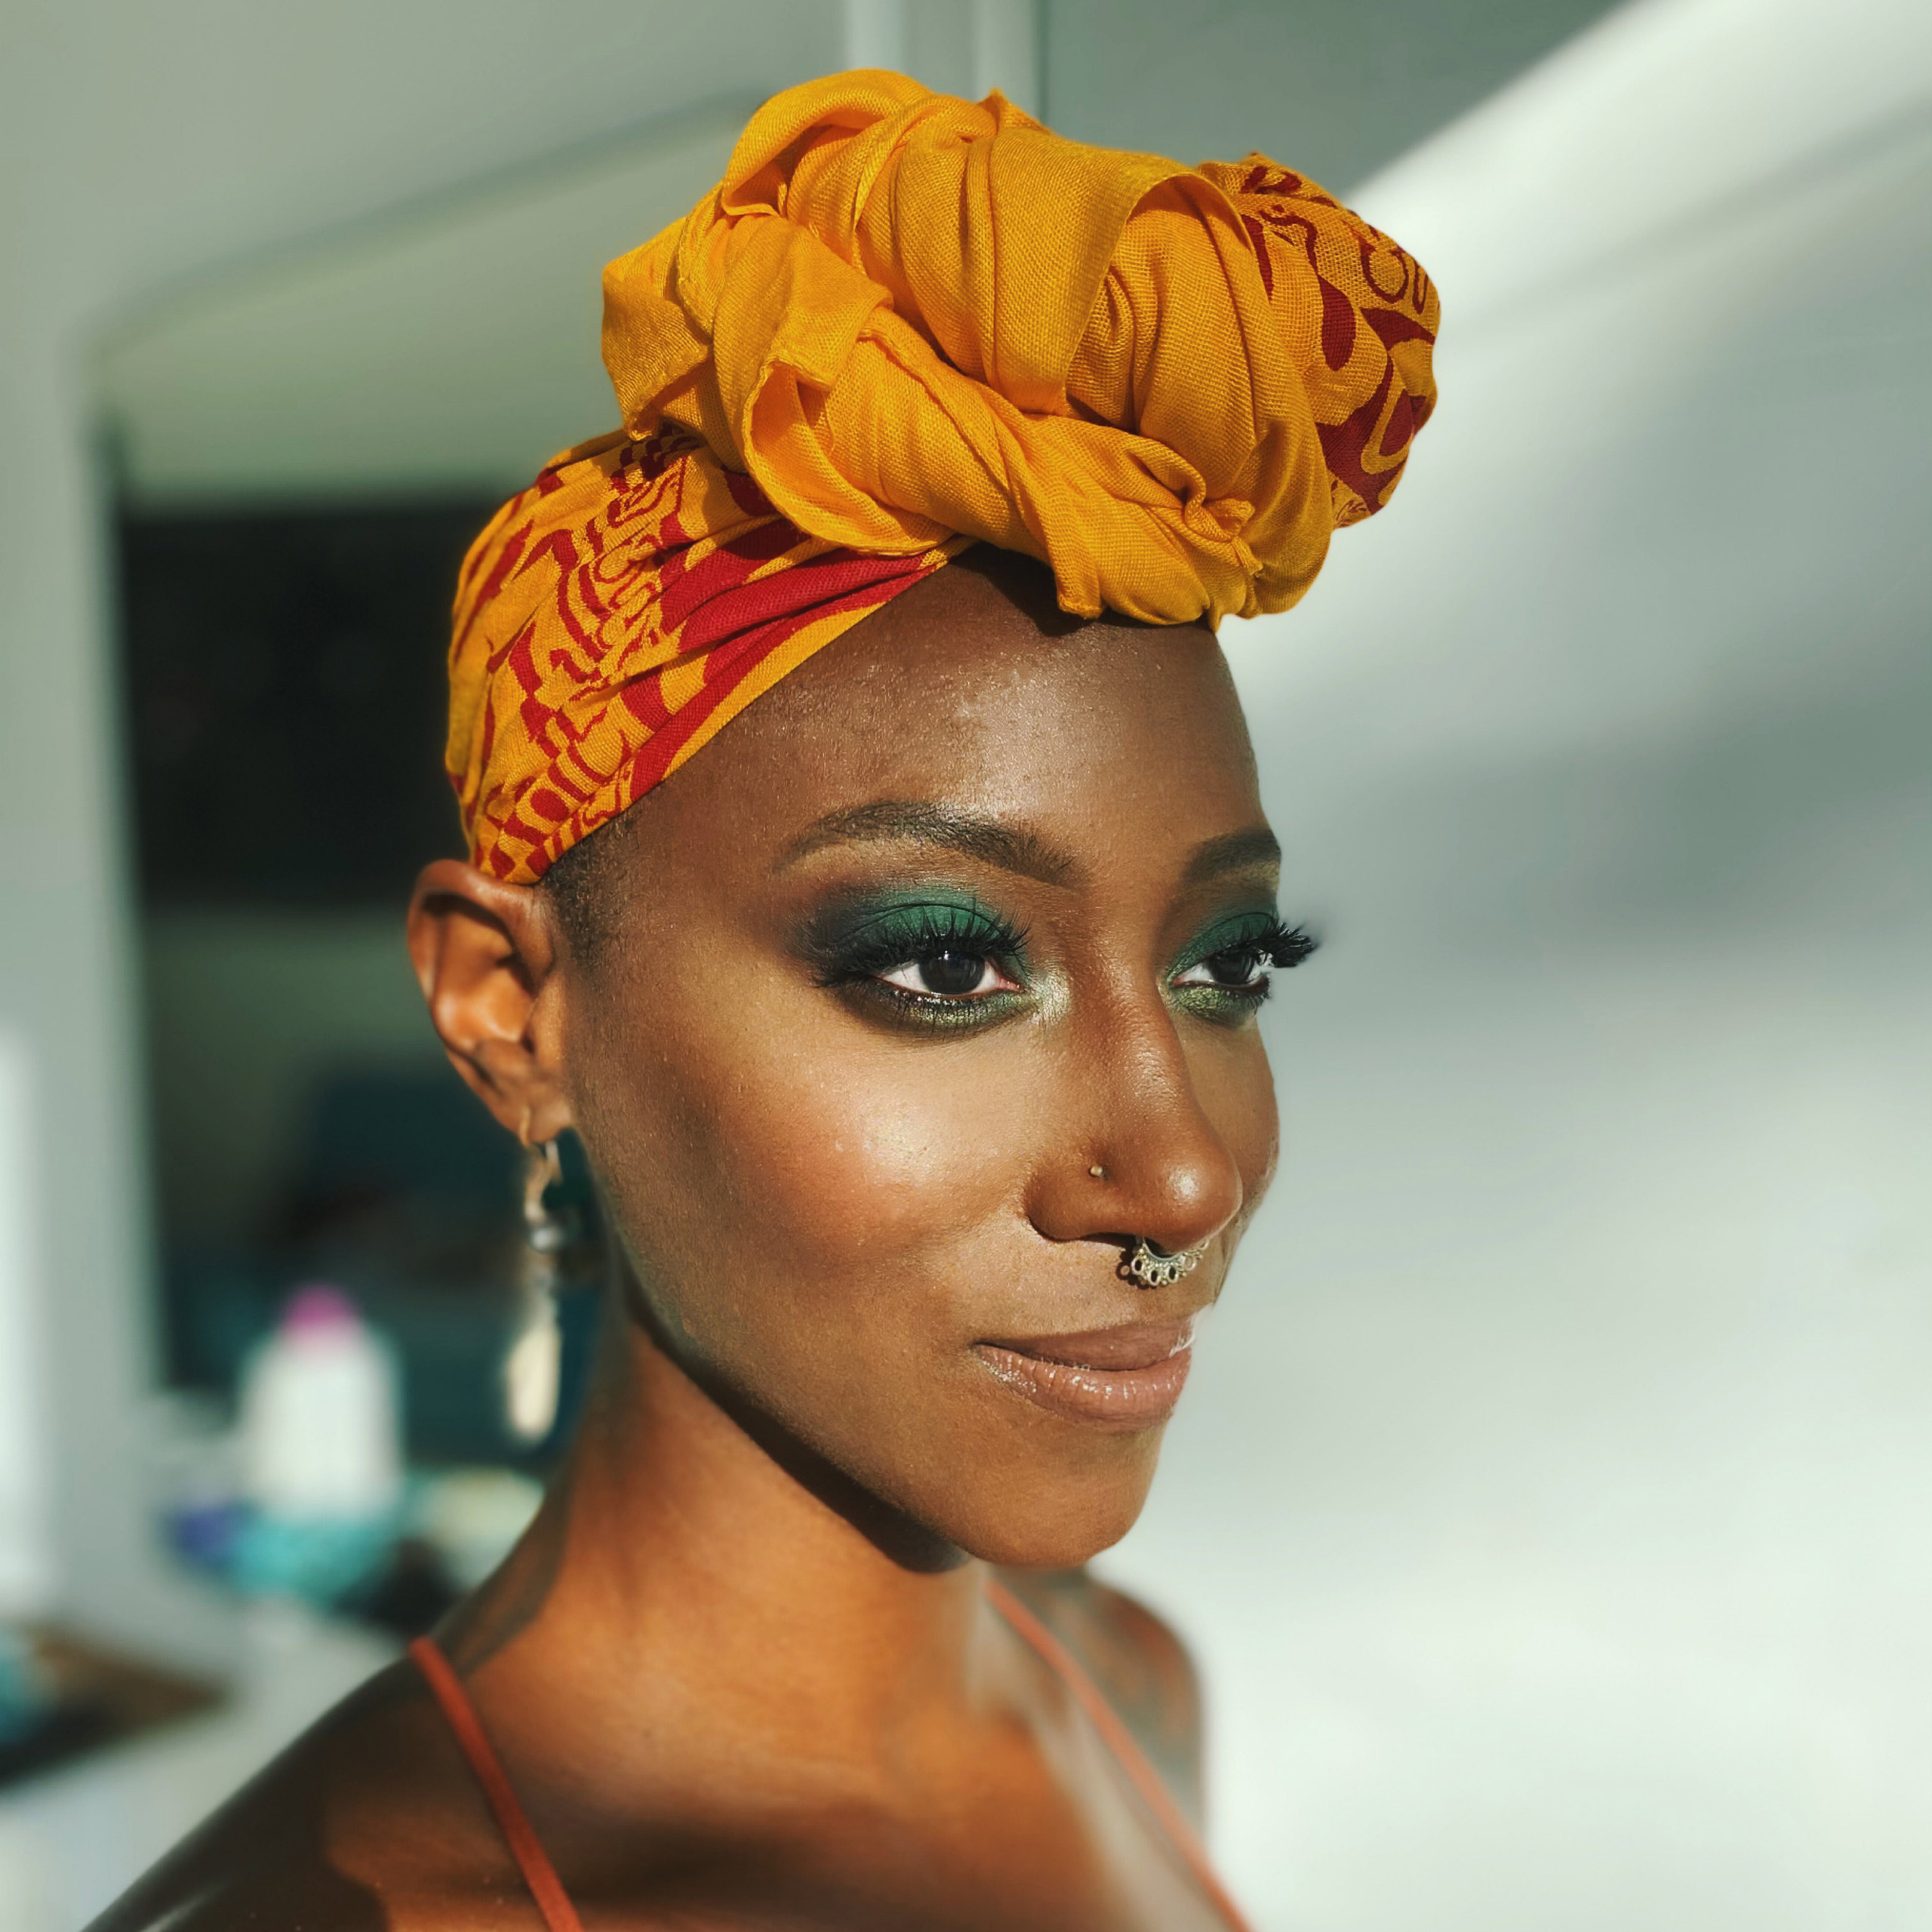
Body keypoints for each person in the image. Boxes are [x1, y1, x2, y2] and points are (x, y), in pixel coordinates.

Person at [96, 70, 1436, 1930]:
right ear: (511, 1007)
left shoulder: (1125, 1689)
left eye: (1225, 966)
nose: (1187, 1175)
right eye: (949, 961)